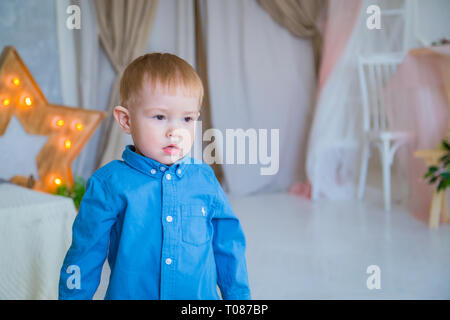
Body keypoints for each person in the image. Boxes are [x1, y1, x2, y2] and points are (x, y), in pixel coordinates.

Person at [58, 53, 251, 300]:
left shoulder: (204, 179)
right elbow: (84, 255)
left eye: (187, 118)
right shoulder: (108, 184)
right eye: (160, 117)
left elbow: (228, 248)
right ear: (126, 120)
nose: (175, 131)